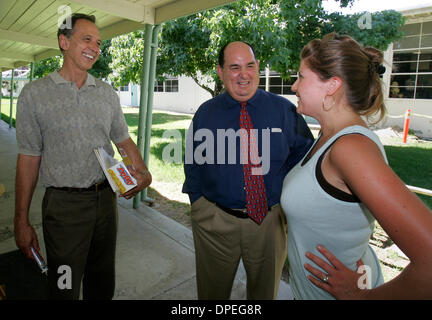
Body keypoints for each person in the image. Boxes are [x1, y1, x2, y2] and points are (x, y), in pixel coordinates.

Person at [280, 33, 432, 299]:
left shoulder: (351, 149)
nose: (294, 86)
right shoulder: (329, 137)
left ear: (332, 86)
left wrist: (362, 297)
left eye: (301, 77)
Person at [14, 13, 152, 300]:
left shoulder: (106, 94)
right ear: (64, 42)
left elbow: (123, 140)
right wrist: (21, 220)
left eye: (99, 42)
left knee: (101, 283)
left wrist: (143, 172)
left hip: (105, 203)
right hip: (63, 207)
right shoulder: (34, 94)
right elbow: (28, 159)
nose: (95, 47)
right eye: (86, 39)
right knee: (64, 284)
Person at [182, 41, 314, 299]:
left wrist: (285, 200)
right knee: (211, 294)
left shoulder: (285, 110)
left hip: (269, 223)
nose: (243, 75)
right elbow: (192, 159)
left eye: (249, 66)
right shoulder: (206, 114)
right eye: (234, 67)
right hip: (215, 221)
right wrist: (198, 203)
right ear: (220, 71)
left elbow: (305, 156)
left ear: (257, 67)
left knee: (264, 294)